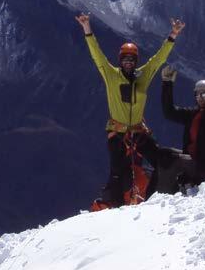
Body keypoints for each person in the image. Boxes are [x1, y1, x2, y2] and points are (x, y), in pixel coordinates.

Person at [75, 12, 185, 207]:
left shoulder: (143, 76)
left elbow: (158, 60)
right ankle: (117, 207)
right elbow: (97, 56)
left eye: (131, 60)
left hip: (138, 132)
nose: (128, 63)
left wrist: (173, 35)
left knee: (159, 161)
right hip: (118, 135)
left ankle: (151, 199)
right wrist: (87, 29)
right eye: (125, 59)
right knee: (117, 173)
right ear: (120, 60)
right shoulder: (111, 75)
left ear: (135, 61)